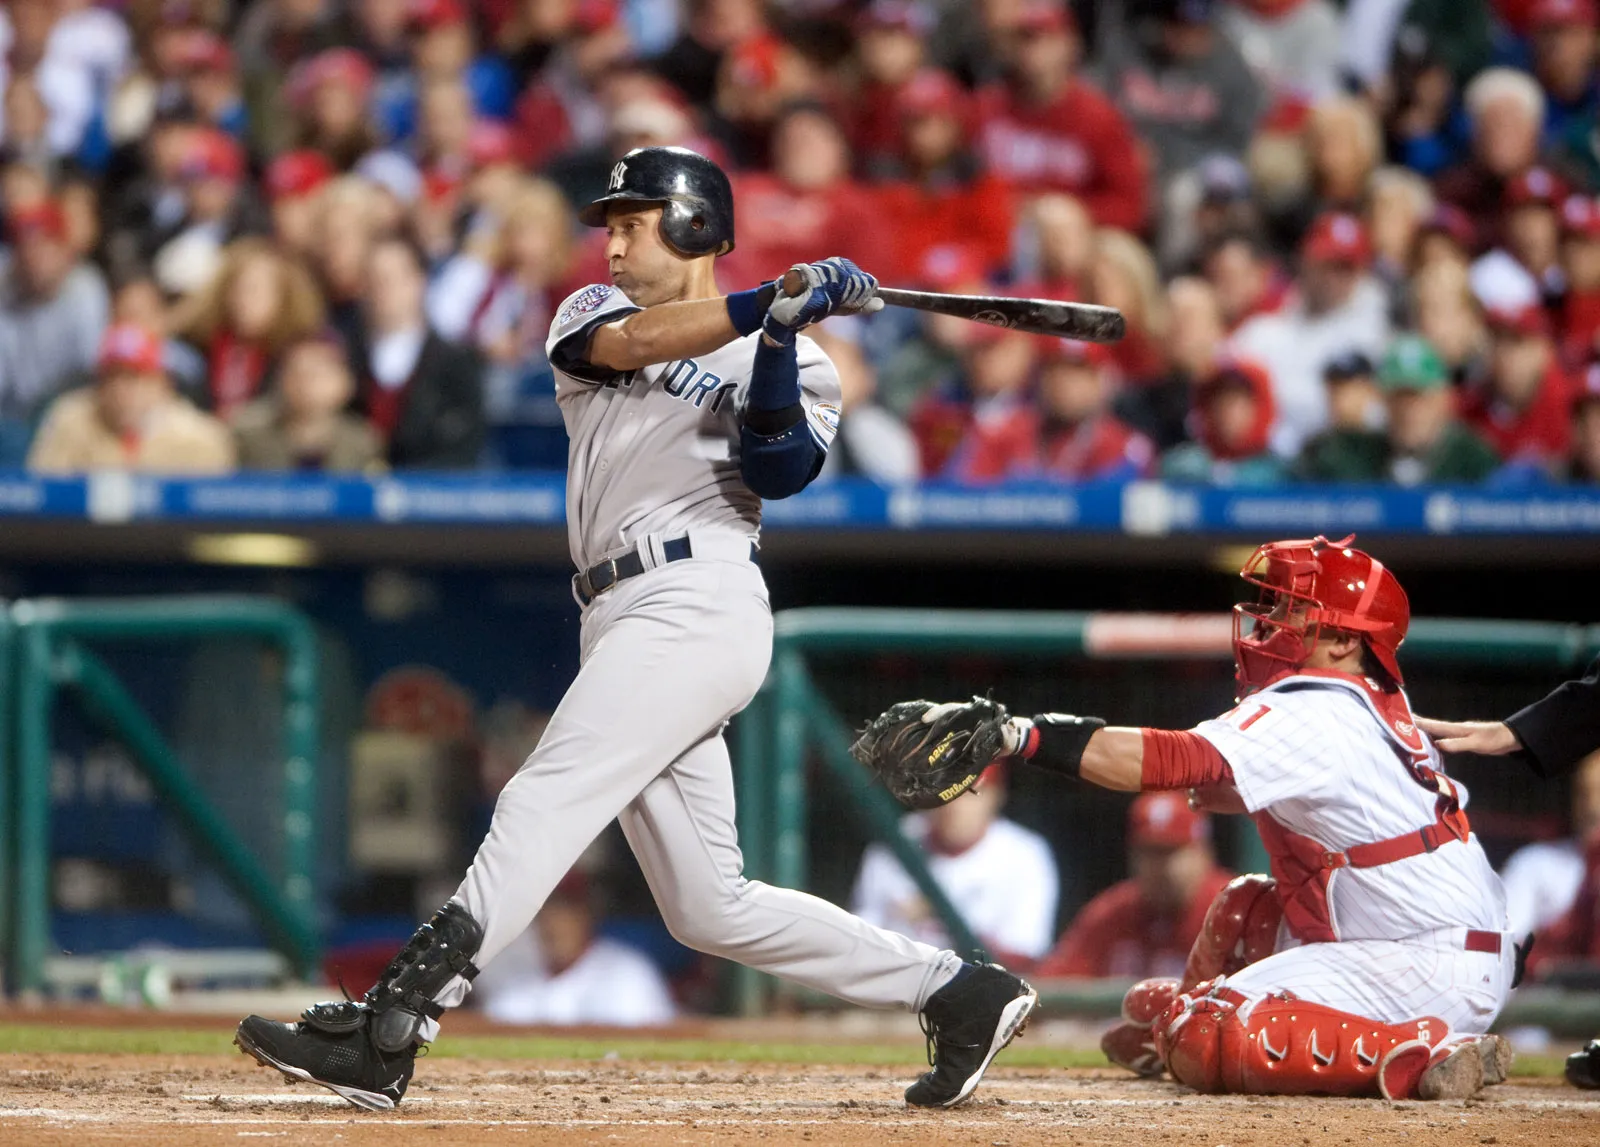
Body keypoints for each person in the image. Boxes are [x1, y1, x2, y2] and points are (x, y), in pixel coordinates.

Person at [235, 146, 1036, 1113]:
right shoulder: (590, 314)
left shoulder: (806, 362)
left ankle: (393, 1024)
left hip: (697, 603)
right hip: (616, 609)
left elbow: (777, 468)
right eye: (610, 223)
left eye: (634, 220)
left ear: (696, 225)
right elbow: (628, 347)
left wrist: (781, 337)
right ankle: (958, 989)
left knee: (543, 796)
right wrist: (766, 305)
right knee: (709, 905)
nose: (612, 241)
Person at [861, 534, 1516, 1100]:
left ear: (1346, 641)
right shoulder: (1369, 706)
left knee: (1209, 1031)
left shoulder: (1320, 701)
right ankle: (1174, 1034)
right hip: (1425, 940)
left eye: (1295, 610)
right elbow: (1235, 787)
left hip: (1421, 961)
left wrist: (1021, 737)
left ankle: (1424, 1051)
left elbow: (1174, 761)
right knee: (1241, 912)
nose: (1271, 622)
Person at [1416, 653, 1600, 1089]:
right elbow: (1510, 946)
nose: (1594, 807)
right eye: (1587, 795)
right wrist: (1520, 730)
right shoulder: (1542, 864)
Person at [851, 763, 1060, 968]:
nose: (955, 805)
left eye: (970, 793)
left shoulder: (1024, 854)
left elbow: (1023, 959)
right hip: (896, 987)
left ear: (996, 796)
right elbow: (857, 942)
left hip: (976, 993)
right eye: (944, 791)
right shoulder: (896, 840)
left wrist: (939, 914)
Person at [1036, 792, 1232, 979]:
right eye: (1149, 852)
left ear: (1203, 853)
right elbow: (1053, 986)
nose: (1161, 866)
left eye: (1172, 851)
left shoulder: (1230, 910)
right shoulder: (1114, 912)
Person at [469, 869, 677, 1028]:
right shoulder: (514, 979)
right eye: (546, 911)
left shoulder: (629, 975)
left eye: (565, 911)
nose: (554, 923)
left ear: (586, 916)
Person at [27, 322, 235, 474]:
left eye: (134, 377)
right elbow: (41, 496)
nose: (120, 389)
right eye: (112, 376)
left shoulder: (199, 437)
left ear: (162, 384)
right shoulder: (69, 421)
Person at [351, 235, 485, 469]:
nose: (383, 290)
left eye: (393, 279)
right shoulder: (345, 358)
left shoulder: (456, 363)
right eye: (374, 280)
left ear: (419, 282)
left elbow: (465, 441)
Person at [232, 333, 383, 473]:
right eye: (296, 373)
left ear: (344, 382)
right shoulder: (249, 442)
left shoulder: (363, 443)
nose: (305, 383)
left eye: (316, 373)